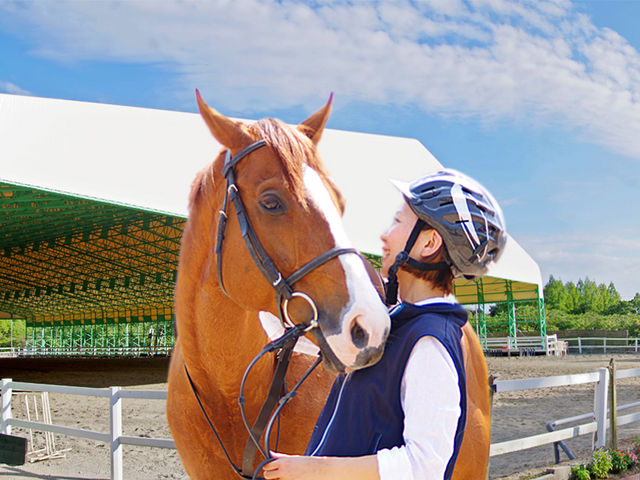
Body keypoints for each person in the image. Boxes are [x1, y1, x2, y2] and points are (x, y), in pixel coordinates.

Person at [262, 169, 506, 480]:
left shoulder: (429, 341)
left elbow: (425, 466)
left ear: (429, 243)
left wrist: (315, 469)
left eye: (398, 222)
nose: (384, 235)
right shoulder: (400, 324)